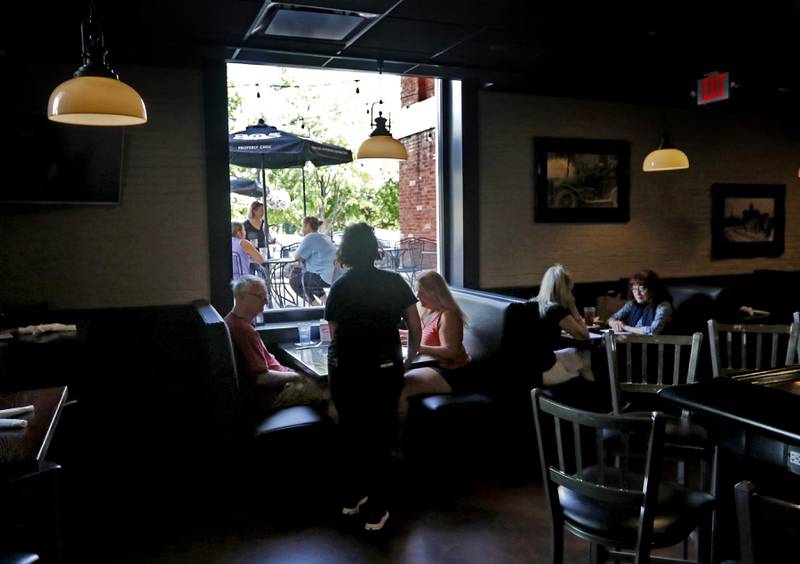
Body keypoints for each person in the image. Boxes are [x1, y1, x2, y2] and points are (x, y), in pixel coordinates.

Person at [325, 223, 422, 532]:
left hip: (345, 366)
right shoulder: (394, 282)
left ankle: (352, 498)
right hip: (383, 363)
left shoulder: (340, 286)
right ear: (375, 249)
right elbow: (415, 326)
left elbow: (334, 332)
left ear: (346, 251)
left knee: (352, 431)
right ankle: (377, 507)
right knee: (380, 433)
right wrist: (409, 360)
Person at [224, 275, 328, 413]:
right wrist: (296, 376)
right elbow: (262, 378)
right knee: (331, 392)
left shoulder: (232, 321)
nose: (266, 301)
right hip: (272, 395)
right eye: (261, 296)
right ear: (243, 297)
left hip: (276, 386)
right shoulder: (243, 330)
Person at [398, 271, 471, 420]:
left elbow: (451, 352)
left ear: (435, 292)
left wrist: (418, 347)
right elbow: (424, 338)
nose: (417, 297)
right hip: (431, 365)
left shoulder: (448, 315)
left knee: (399, 389)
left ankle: (398, 442)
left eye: (421, 292)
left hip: (451, 371)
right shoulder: (426, 311)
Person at [533, 264, 594, 386]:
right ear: (564, 290)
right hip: (544, 370)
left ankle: (599, 398)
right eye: (569, 289)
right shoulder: (556, 311)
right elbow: (584, 335)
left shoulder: (533, 304)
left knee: (580, 356)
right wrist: (573, 307)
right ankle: (596, 399)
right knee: (583, 362)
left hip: (530, 365)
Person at [609, 269, 673, 335]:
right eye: (634, 289)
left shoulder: (663, 306)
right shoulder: (631, 304)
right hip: (631, 341)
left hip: (654, 344)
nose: (637, 293)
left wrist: (625, 327)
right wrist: (614, 323)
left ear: (652, 289)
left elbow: (652, 331)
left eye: (642, 289)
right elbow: (611, 319)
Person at [290, 216, 337, 305]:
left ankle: (318, 309)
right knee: (309, 280)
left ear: (307, 226)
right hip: (334, 274)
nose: (302, 229)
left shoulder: (310, 237)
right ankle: (327, 305)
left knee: (294, 282)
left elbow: (296, 257)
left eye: (303, 226)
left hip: (325, 276)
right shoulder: (324, 237)